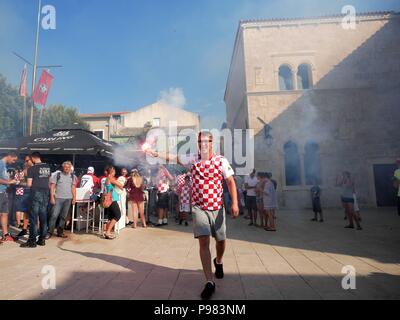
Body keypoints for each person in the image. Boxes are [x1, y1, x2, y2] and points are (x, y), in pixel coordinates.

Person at [145, 131, 239, 300]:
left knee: (221, 240)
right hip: (199, 207)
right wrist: (155, 153)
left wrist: (234, 203)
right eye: (200, 141)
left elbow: (230, 181)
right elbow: (173, 157)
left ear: (212, 143)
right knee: (204, 241)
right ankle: (209, 282)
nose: (203, 144)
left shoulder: (221, 161)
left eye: (207, 141)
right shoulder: (192, 160)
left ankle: (218, 261)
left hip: (217, 207)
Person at [21, 152, 51, 248]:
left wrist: (21, 183)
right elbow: (49, 181)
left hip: (35, 193)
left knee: (33, 218)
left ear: (33, 159)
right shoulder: (47, 167)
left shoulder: (32, 168)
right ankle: (42, 240)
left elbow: (29, 184)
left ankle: (32, 241)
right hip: (45, 193)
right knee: (43, 217)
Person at [46, 161, 77, 239]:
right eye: (65, 167)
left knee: (63, 217)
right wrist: (52, 197)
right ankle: (49, 232)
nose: (67, 168)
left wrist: (74, 198)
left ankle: (60, 232)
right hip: (58, 199)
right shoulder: (57, 175)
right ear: (63, 167)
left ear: (70, 168)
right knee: (54, 216)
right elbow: (52, 187)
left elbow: (73, 188)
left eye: (68, 167)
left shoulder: (73, 176)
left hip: (68, 199)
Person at [0, 152, 18, 243]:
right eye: (13, 160)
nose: (14, 162)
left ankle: (5, 235)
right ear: (9, 156)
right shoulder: (0, 164)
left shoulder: (4, 166)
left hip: (4, 192)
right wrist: (9, 182)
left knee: (4, 213)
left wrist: (11, 181)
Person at [103, 166, 124, 239]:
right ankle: (108, 232)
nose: (115, 173)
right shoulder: (110, 178)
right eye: (114, 172)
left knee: (111, 217)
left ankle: (107, 233)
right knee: (118, 215)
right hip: (112, 199)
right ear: (112, 171)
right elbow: (121, 185)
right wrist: (121, 186)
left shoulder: (108, 178)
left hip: (111, 199)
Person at [16, 156, 34, 238]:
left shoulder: (34, 171)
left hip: (33, 193)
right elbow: (18, 182)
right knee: (26, 212)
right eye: (25, 161)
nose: (26, 162)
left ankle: (35, 230)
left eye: (27, 161)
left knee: (35, 212)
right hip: (25, 193)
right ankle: (24, 229)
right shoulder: (22, 173)